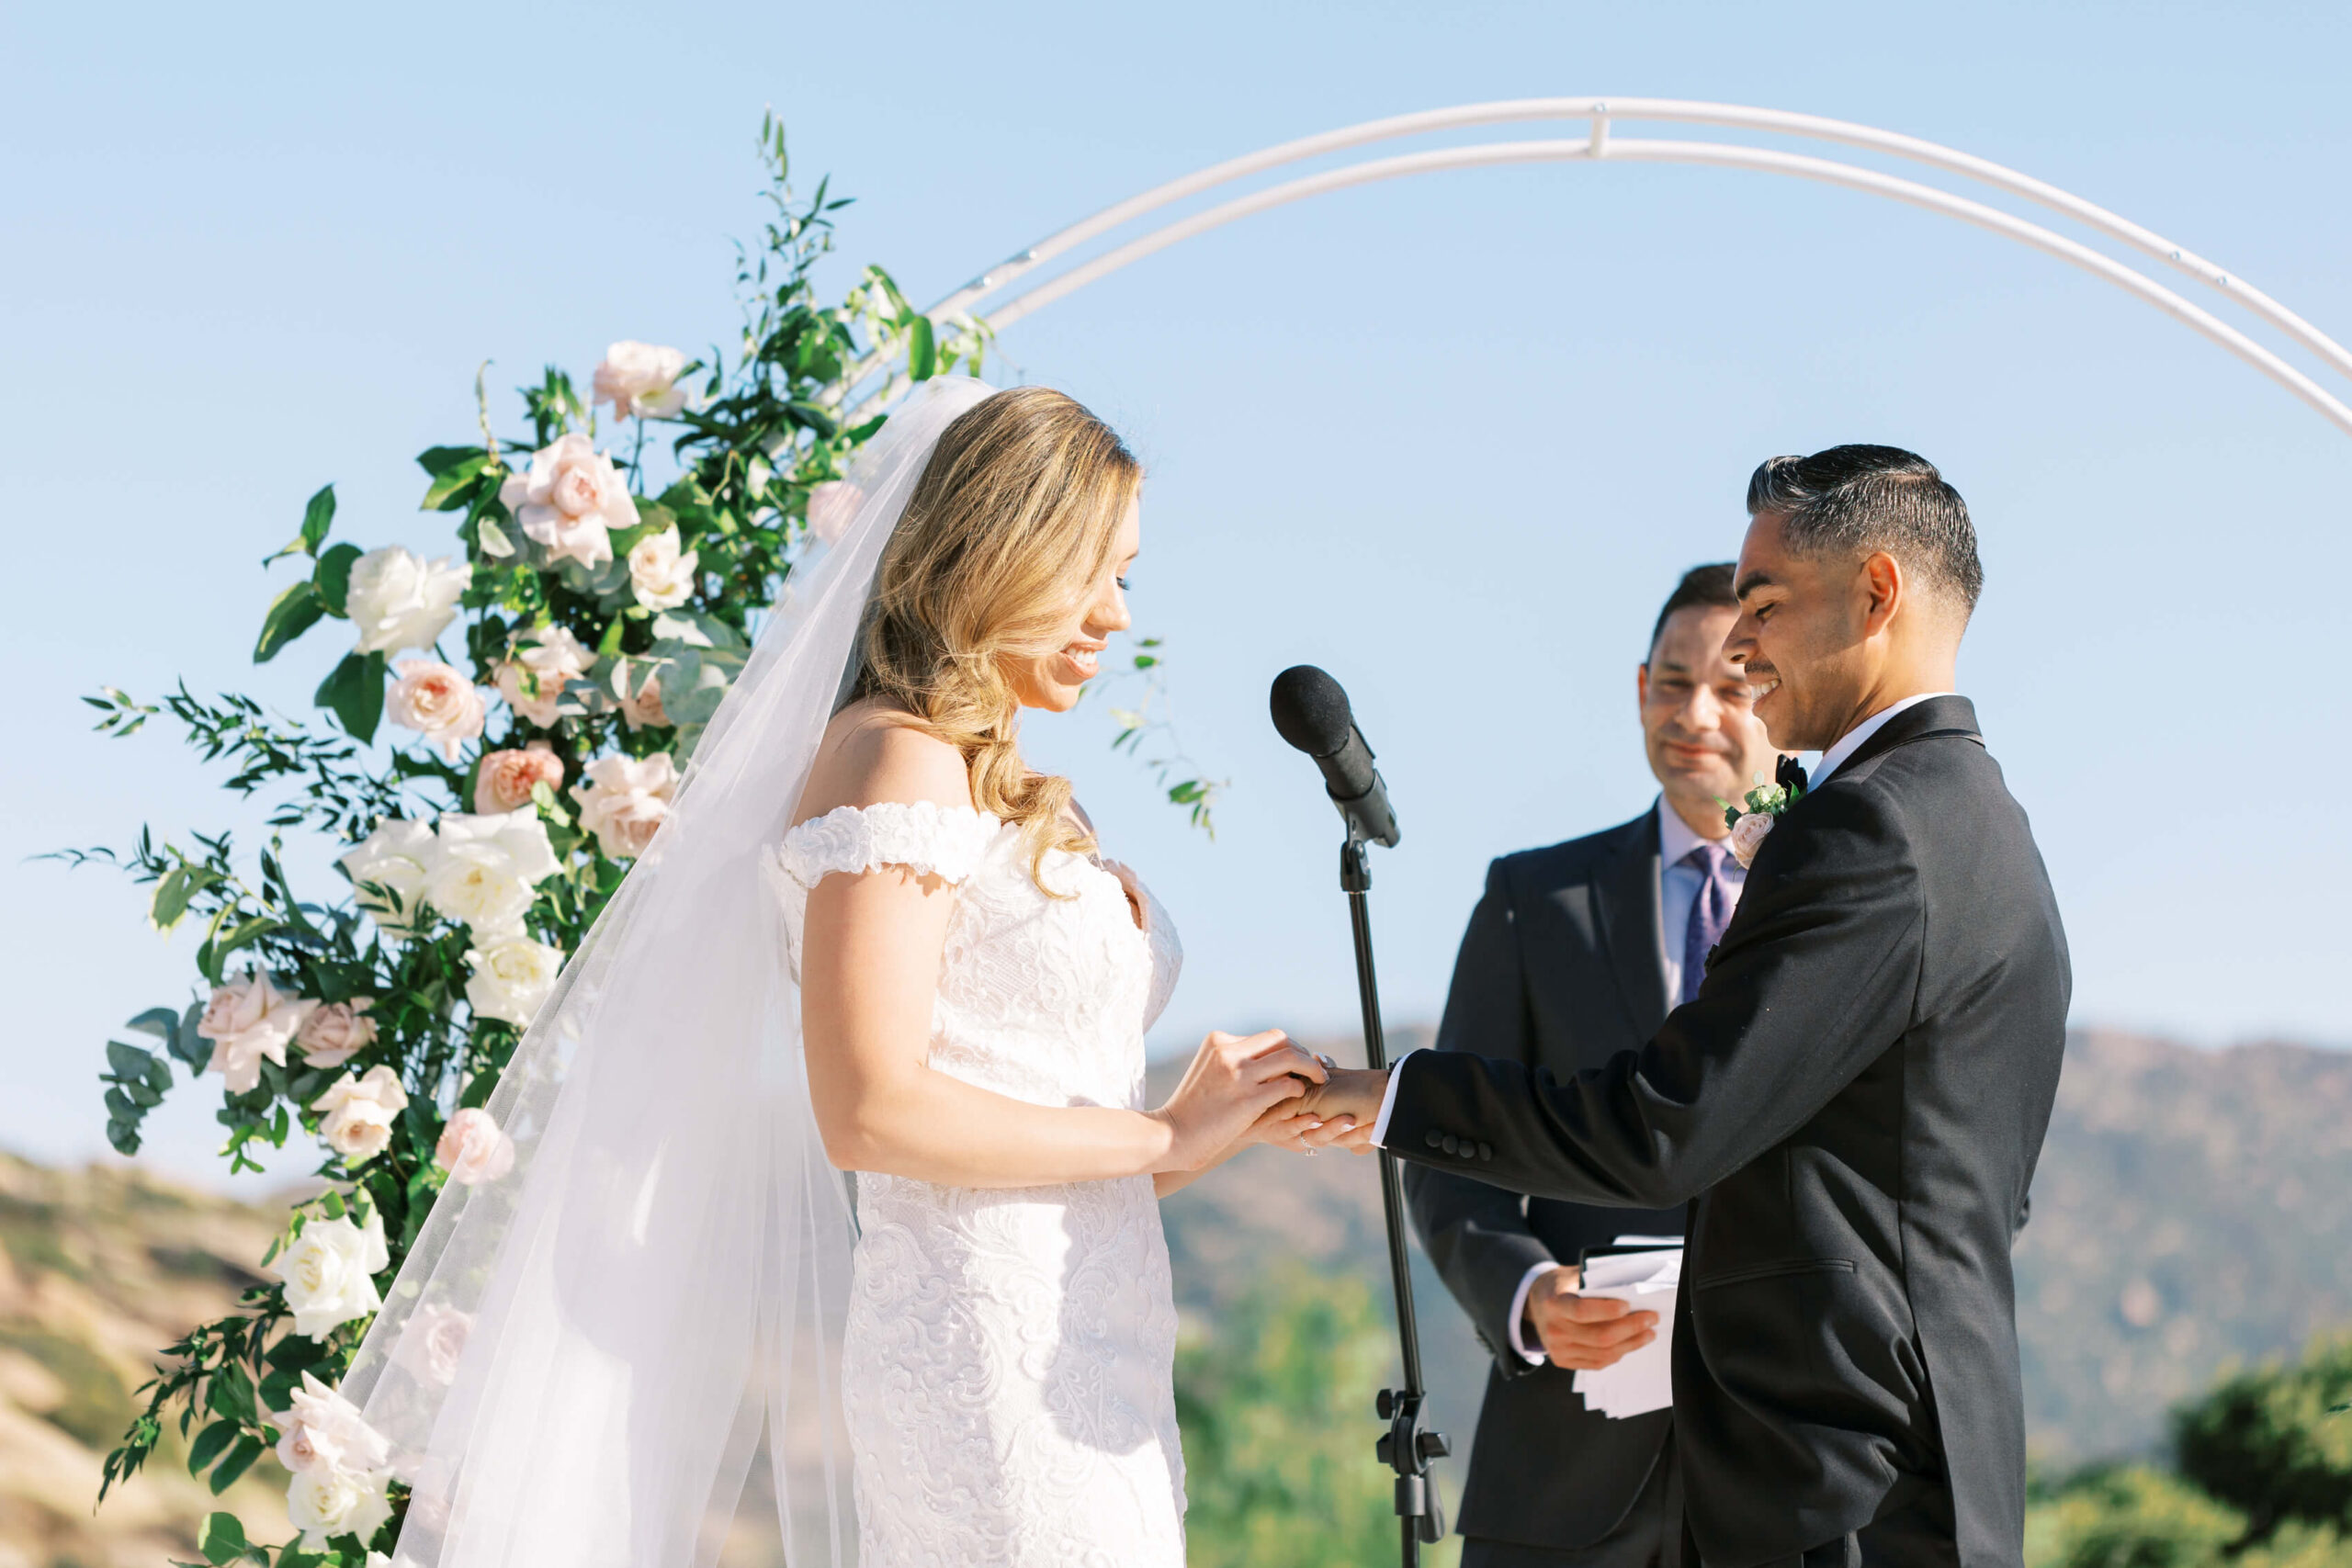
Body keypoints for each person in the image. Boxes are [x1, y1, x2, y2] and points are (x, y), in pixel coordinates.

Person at [340, 378, 1326, 1568]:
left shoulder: (976, 776)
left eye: (1129, 577)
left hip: (1095, 1349)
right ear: (1002, 549)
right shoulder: (896, 758)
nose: (1116, 614)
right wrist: (1160, 1139)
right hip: (982, 1363)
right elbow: (872, 1106)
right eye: (1095, 569)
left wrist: (1204, 1134)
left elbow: (1007, 1141)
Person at [1305, 446, 2069, 1568]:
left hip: (1837, 1474)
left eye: (1763, 604)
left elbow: (1672, 1124)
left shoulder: (1872, 830)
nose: (1743, 644)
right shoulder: (1975, 815)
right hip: (1871, 1463)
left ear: (1875, 592)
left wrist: (1393, 1093)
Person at [1408, 562, 1788, 1568]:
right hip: (1558, 1481)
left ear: (1783, 699)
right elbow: (1451, 1150)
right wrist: (1526, 1292)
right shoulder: (1533, 901)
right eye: (1671, 682)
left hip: (1781, 1474)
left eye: (1733, 685)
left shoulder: (1843, 906)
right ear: (1636, 689)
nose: (1693, 713)